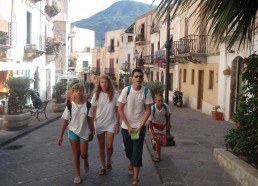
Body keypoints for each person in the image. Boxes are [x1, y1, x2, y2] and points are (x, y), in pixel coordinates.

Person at [118, 68, 153, 186]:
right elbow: (120, 109)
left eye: (140, 76)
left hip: (139, 127)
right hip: (126, 127)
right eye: (136, 76)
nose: (138, 78)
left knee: (137, 150)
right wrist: (128, 126)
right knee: (128, 150)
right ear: (132, 78)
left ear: (143, 78)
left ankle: (136, 178)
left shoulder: (146, 92)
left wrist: (140, 126)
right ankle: (131, 162)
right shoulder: (126, 91)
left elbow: (148, 110)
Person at [58, 83, 94, 184]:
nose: (78, 92)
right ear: (73, 92)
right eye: (76, 90)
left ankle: (86, 160)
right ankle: (78, 175)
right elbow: (65, 121)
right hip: (73, 131)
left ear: (83, 92)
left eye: (80, 90)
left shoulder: (87, 105)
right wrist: (60, 136)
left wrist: (92, 132)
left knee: (83, 153)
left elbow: (90, 120)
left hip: (84, 132)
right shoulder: (70, 105)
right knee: (75, 154)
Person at [91, 75, 120, 175]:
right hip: (99, 123)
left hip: (111, 123)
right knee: (101, 146)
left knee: (109, 145)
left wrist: (117, 123)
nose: (104, 84)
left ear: (109, 83)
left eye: (106, 82)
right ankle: (103, 165)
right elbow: (93, 110)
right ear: (99, 83)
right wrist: (92, 125)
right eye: (102, 82)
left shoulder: (115, 94)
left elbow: (117, 109)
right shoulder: (96, 95)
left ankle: (109, 160)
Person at [148, 93, 171, 162]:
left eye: (162, 101)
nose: (161, 102)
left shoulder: (165, 106)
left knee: (162, 143)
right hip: (154, 127)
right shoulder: (152, 109)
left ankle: (153, 142)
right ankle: (158, 156)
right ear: (155, 100)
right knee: (158, 141)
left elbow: (168, 115)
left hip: (162, 127)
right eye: (159, 101)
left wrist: (168, 123)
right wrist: (153, 133)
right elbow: (150, 121)